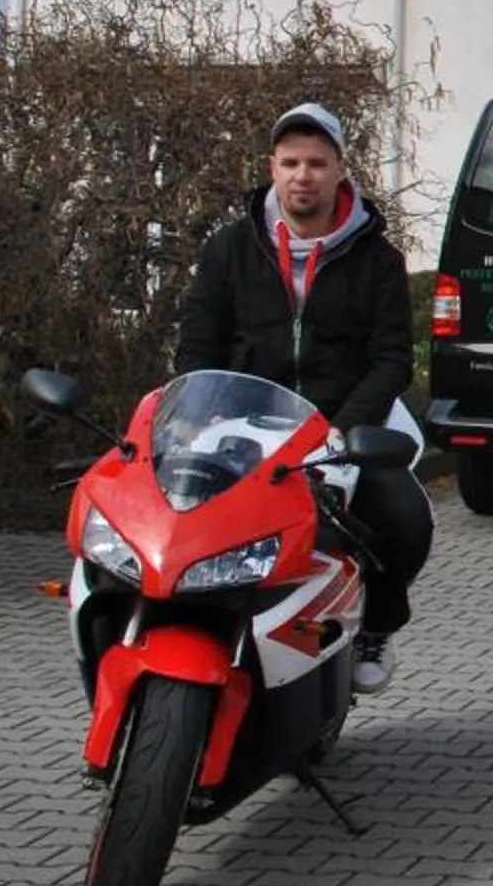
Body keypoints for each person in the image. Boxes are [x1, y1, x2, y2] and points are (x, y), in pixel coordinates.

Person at [178, 101, 431, 694]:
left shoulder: (379, 261)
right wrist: (198, 406)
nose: (302, 175)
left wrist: (342, 431)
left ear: (341, 170)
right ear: (272, 167)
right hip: (242, 420)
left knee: (403, 519)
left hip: (339, 426)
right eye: (290, 162)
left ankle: (376, 625)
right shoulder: (228, 249)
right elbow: (197, 341)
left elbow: (391, 359)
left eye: (316, 163)